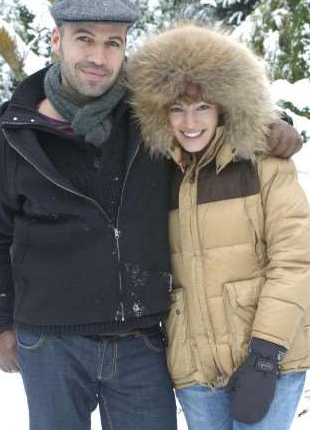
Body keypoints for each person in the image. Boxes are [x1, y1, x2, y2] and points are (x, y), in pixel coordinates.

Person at [0, 0, 302, 430]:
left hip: (139, 342)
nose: (99, 56)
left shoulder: (150, 118)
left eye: (113, 43)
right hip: (49, 340)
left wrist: (270, 122)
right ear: (57, 40)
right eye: (84, 38)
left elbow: (209, 108)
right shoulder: (10, 138)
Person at [127, 23, 310, 430]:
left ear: (224, 106)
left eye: (202, 107)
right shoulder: (159, 173)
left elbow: (296, 261)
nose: (189, 121)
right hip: (196, 370)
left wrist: (265, 355)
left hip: (269, 361)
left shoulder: (264, 162)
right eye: (177, 108)